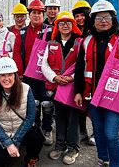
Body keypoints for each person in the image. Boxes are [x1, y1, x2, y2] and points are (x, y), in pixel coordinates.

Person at [73, 0, 119, 167]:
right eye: (98, 18)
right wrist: (78, 91)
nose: (103, 21)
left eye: (107, 17)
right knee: (98, 131)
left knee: (111, 134)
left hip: (114, 98)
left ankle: (114, 164)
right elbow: (80, 68)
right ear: (93, 21)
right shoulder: (86, 41)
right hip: (92, 95)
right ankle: (103, 159)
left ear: (113, 19)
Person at [41, 11, 83, 165]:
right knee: (59, 117)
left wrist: (72, 78)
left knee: (73, 118)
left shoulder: (80, 42)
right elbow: (44, 64)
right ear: (57, 25)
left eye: (68, 23)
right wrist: (54, 77)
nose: (65, 25)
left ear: (73, 25)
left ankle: (73, 148)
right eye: (61, 23)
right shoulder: (51, 43)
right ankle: (60, 145)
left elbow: (83, 64)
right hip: (57, 85)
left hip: (73, 87)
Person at [0, 57, 44, 167]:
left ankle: (31, 159)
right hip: (4, 130)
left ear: (15, 75)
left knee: (37, 138)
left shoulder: (26, 89)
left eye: (10, 74)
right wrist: (8, 143)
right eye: (3, 75)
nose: (6, 78)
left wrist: (15, 141)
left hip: (22, 128)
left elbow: (30, 117)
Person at [13, 0, 54, 146]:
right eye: (34, 12)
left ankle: (47, 129)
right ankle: (35, 129)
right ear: (29, 15)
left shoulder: (50, 30)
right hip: (29, 76)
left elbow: (55, 52)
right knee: (33, 104)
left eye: (40, 13)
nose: (37, 15)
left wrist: (53, 74)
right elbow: (17, 53)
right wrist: (20, 73)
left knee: (47, 103)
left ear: (43, 14)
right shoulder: (22, 33)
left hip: (46, 76)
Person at [71, 0, 96, 146]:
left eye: (82, 15)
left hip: (92, 72)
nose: (79, 18)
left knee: (93, 104)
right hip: (78, 72)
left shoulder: (93, 30)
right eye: (77, 16)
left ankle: (96, 132)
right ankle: (82, 131)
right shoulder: (74, 31)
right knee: (79, 103)